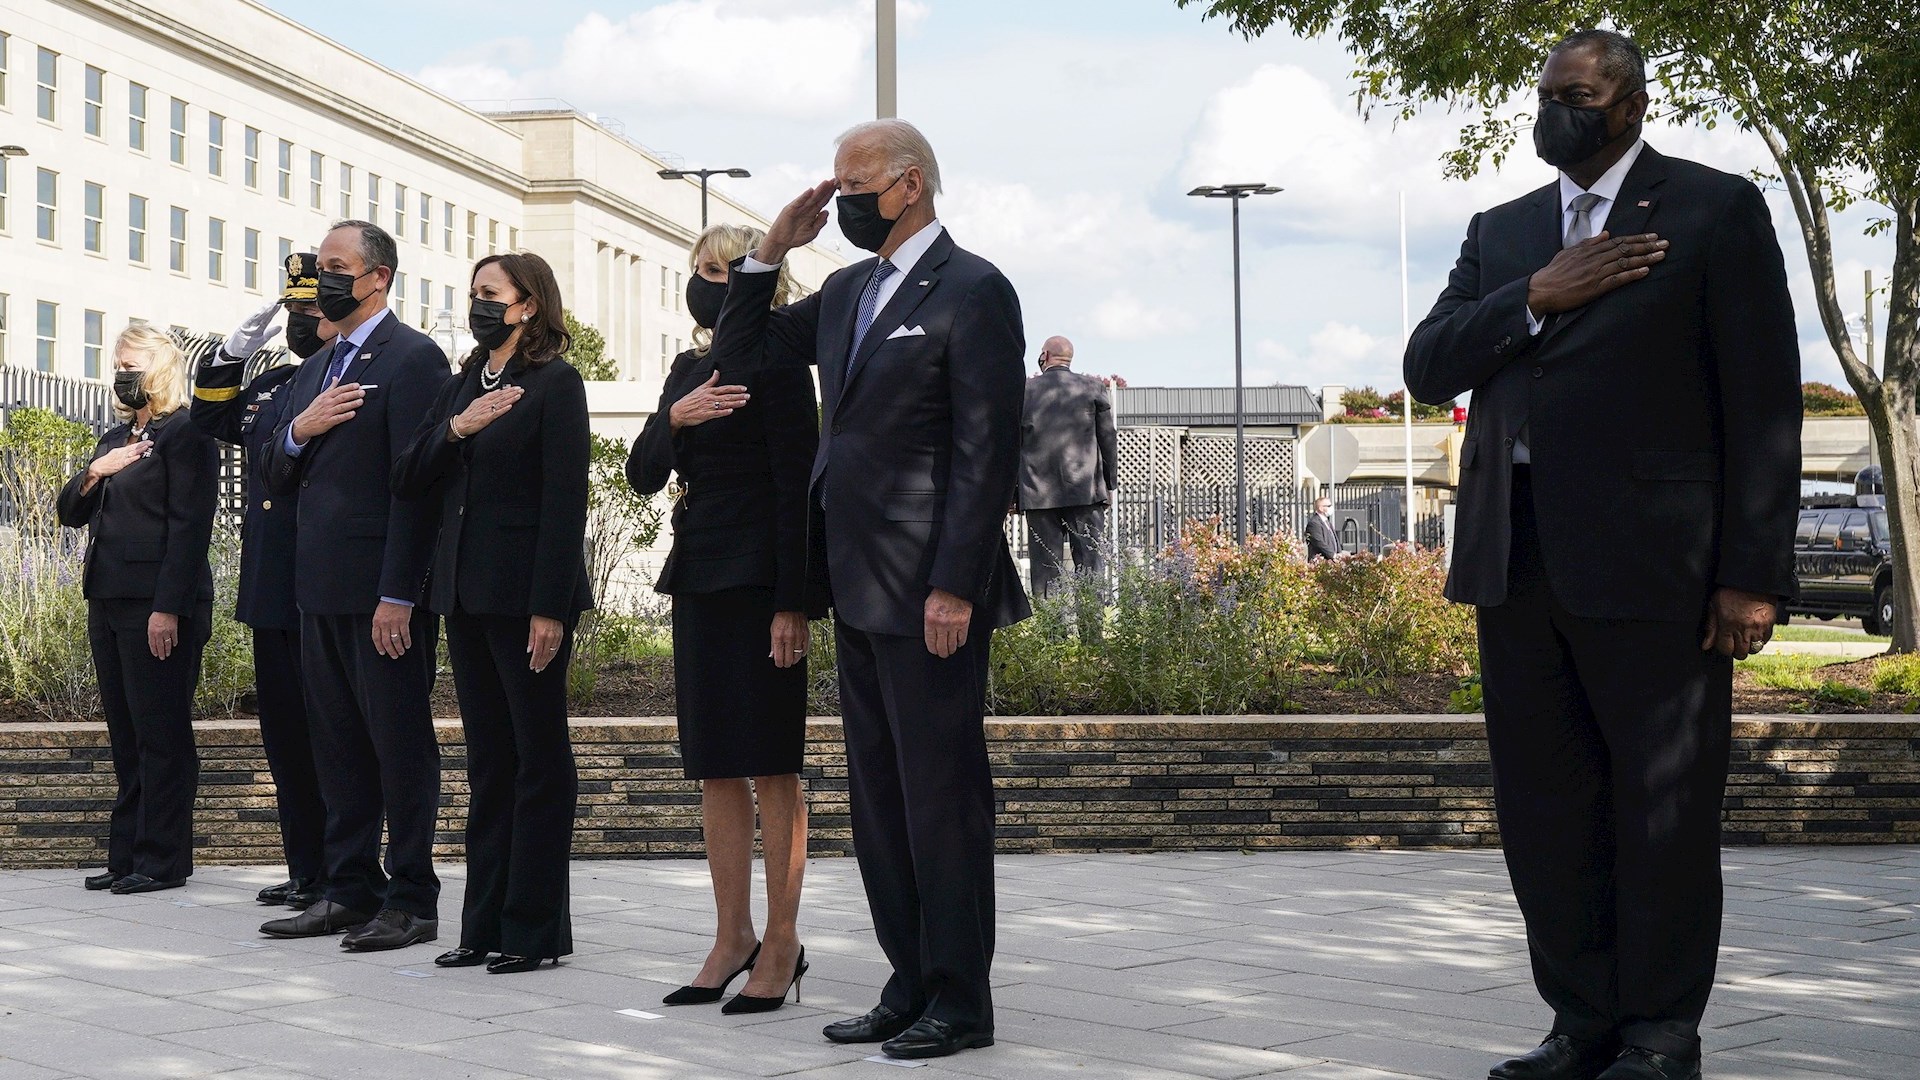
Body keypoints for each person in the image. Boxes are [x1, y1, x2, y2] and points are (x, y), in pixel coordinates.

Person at [1404, 30, 1800, 1080]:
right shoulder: (1506, 231)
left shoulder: (1714, 210)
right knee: (1546, 809)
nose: (1556, 112)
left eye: (1577, 94)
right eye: (1546, 94)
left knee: (1662, 809)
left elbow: (1762, 404)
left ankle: (1661, 1033)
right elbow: (1426, 361)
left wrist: (1752, 572)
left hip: (1659, 570)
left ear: (1630, 106)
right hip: (1516, 560)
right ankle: (1579, 1022)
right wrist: (1541, 292)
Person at [709, 119, 1028, 1060]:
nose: (838, 197)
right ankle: (909, 978)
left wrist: (956, 583)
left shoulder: (975, 289)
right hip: (853, 581)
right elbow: (746, 352)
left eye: (854, 182)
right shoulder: (846, 289)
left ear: (910, 183)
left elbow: (985, 450)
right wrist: (772, 248)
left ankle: (961, 997)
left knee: (942, 797)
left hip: (930, 589)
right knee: (881, 800)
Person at [625, 224, 824, 1013]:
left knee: (772, 762)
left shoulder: (778, 362)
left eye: (725, 269)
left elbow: (797, 487)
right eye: (701, 268)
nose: (709, 279)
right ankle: (730, 935)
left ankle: (782, 941)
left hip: (763, 586)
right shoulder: (685, 369)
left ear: (762, 282)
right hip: (701, 580)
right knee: (713, 764)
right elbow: (642, 475)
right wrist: (678, 416)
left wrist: (794, 603)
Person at [391, 251, 592, 975]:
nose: (477, 304)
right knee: (490, 762)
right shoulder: (463, 384)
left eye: (490, 293)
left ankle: (532, 930)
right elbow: (410, 474)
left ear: (528, 305)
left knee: (539, 760)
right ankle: (482, 925)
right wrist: (460, 427)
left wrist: (550, 608)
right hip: (465, 597)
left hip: (528, 600)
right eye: (473, 292)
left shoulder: (555, 384)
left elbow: (566, 504)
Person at [258, 221, 448, 952]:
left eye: (337, 266)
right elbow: (275, 466)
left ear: (378, 277)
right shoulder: (316, 368)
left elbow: (418, 489)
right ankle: (348, 891)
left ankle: (411, 901)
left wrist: (399, 591)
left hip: (381, 597)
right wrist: (299, 429)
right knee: (336, 747)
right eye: (319, 266)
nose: (322, 278)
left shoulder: (414, 359)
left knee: (398, 749)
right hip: (318, 590)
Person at [191, 256, 337, 911]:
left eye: (311, 310)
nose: (302, 322)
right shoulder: (276, 381)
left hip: (327, 588)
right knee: (286, 742)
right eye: (295, 312)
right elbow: (212, 422)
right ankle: (307, 868)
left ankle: (348, 869)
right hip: (274, 590)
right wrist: (229, 355)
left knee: (335, 739)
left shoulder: (352, 378)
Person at [59, 325, 219, 895]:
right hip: (107, 600)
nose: (123, 373)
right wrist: (97, 470)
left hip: (159, 607)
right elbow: (70, 513)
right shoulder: (114, 439)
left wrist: (167, 609)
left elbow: (189, 528)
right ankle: (126, 855)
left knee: (162, 733)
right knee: (126, 735)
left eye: (133, 363)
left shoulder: (188, 433)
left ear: (161, 368)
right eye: (118, 363)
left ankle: (163, 859)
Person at [1017, 336, 1116, 597]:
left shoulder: (1025, 391)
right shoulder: (1093, 388)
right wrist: (1110, 485)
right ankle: (1092, 636)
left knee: (1046, 573)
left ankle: (1053, 637)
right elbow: (1108, 439)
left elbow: (1013, 444)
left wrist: (1014, 493)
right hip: (1086, 491)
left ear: (1046, 356)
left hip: (1039, 494)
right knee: (1090, 568)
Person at [1304, 495, 1338, 561]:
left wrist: (1339, 553)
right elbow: (1319, 543)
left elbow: (1334, 538)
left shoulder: (1326, 521)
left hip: (1331, 561)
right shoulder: (1314, 523)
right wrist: (1333, 555)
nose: (1331, 508)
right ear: (1321, 508)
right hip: (1321, 561)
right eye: (1328, 506)